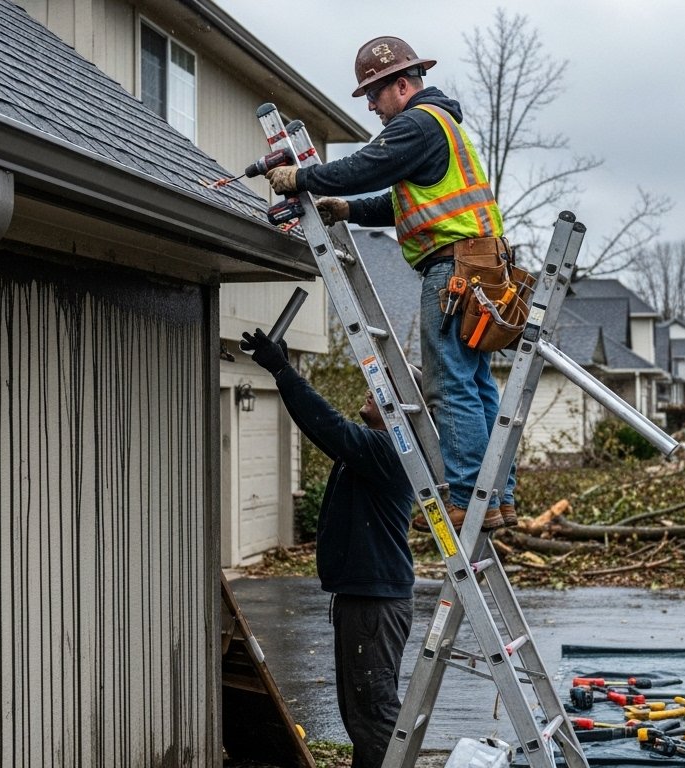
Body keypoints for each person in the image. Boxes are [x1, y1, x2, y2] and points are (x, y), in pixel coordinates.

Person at [265, 35, 516, 532]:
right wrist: (351, 210)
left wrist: (302, 179)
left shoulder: (416, 123)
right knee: (479, 384)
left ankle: (468, 498)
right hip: (482, 264)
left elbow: (364, 166)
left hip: (454, 271)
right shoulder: (441, 126)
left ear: (402, 84)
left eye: (375, 95)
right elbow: (402, 202)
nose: (374, 108)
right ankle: (497, 498)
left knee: (449, 386)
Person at [240, 327, 414, 768]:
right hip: (366, 600)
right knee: (363, 715)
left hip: (374, 605)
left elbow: (329, 426)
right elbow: (326, 432)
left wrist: (282, 369)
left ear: (402, 409)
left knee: (373, 715)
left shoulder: (390, 451)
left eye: (382, 390)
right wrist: (284, 374)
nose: (371, 393)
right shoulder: (372, 449)